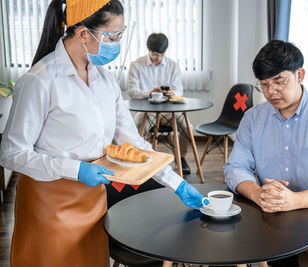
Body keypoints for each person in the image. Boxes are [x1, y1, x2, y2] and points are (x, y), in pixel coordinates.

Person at [0, 1, 203, 266]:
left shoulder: (105, 83)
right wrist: (76, 169)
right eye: (114, 35)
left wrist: (177, 183)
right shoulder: (40, 81)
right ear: (84, 34)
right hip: (49, 206)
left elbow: (135, 145)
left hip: (94, 200)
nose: (117, 43)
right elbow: (12, 154)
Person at [224, 40, 308, 267]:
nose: (271, 92)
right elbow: (235, 167)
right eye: (264, 85)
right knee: (230, 249)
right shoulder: (253, 118)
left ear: (300, 75)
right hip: (268, 209)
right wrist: (257, 194)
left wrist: (295, 199)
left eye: (279, 82)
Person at [128, 33, 191, 175]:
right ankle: (138, 159)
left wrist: (173, 93)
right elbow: (132, 92)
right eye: (155, 54)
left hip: (170, 110)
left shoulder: (173, 66)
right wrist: (150, 93)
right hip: (146, 110)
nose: (158, 58)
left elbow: (179, 90)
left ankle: (181, 157)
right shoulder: (137, 65)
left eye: (161, 54)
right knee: (136, 127)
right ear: (149, 51)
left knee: (188, 128)